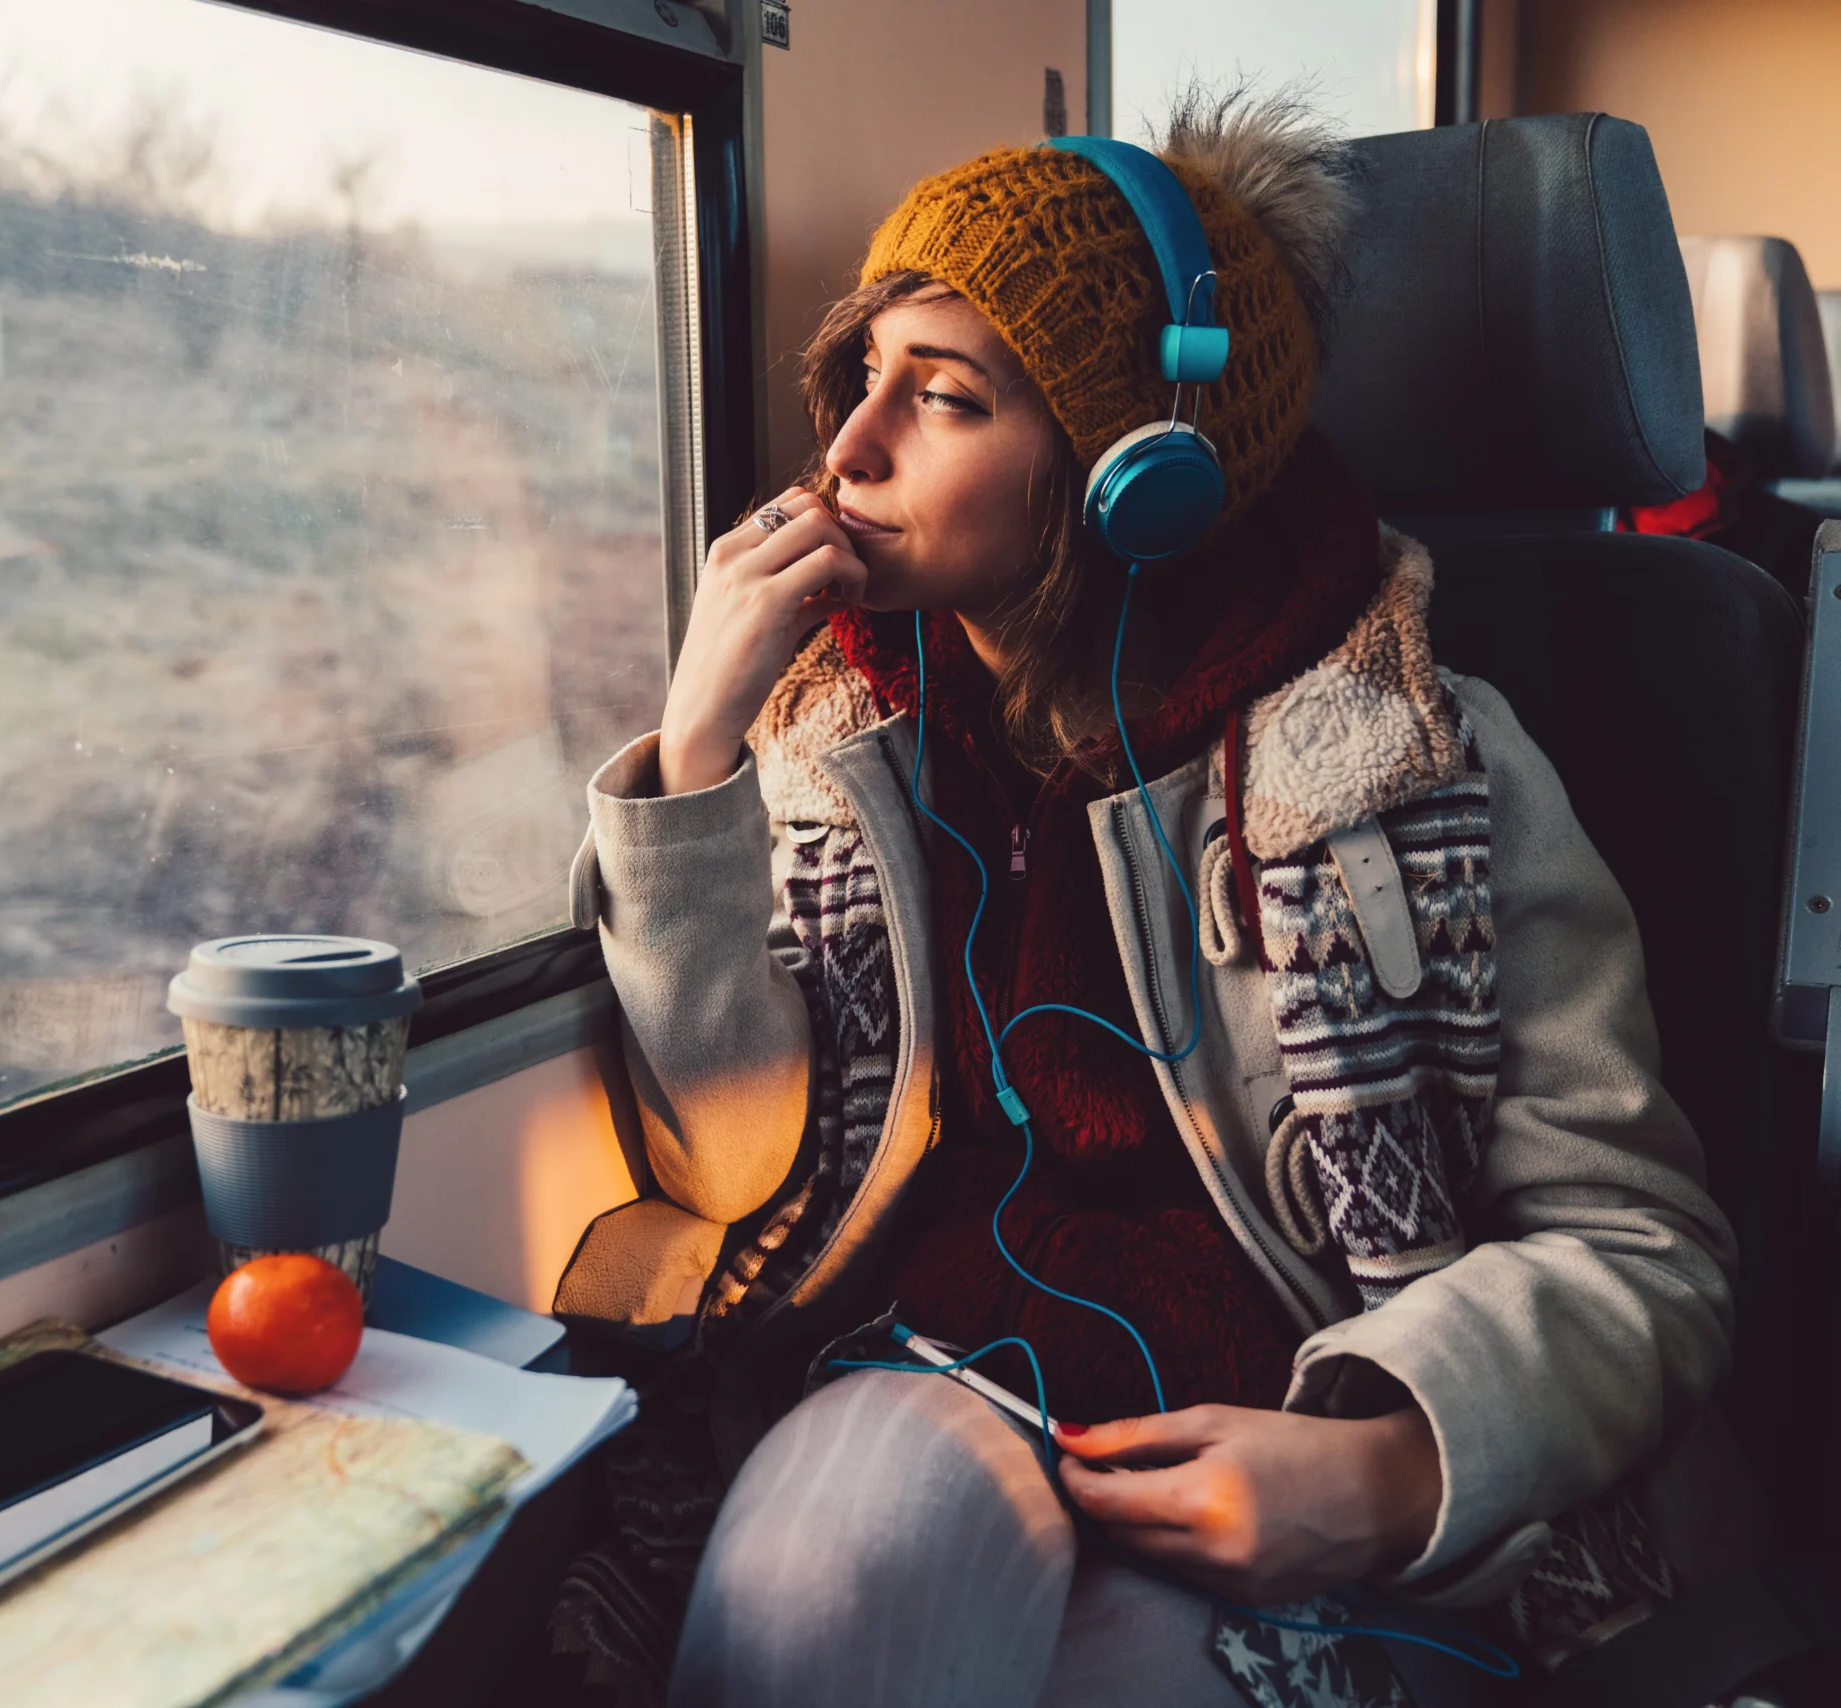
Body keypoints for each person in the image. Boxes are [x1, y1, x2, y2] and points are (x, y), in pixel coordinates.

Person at [556, 93, 1749, 1708]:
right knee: (812, 1596)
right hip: (937, 1372)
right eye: (862, 381)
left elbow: (1642, 1249)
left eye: (947, 397)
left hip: (1298, 1419)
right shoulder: (829, 747)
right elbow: (732, 1166)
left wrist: (1393, 1466)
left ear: (1143, 475)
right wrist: (697, 748)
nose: (845, 452)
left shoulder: (1420, 768)